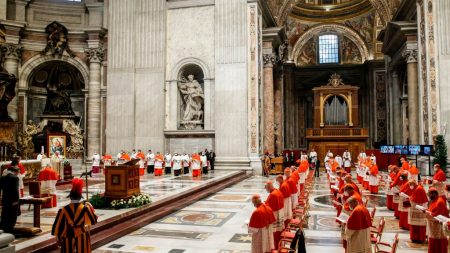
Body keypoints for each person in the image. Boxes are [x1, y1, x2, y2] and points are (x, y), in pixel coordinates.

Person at [52, 178, 98, 253]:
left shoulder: (63, 210)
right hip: (82, 234)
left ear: (70, 197)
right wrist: (90, 207)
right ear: (80, 197)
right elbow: (93, 220)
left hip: (68, 235)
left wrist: (58, 237)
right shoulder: (85, 208)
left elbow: (58, 226)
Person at [424, 187, 449, 253]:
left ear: (434, 194)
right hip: (433, 226)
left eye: (430, 194)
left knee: (437, 242)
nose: (429, 196)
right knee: (433, 241)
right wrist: (426, 211)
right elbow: (432, 211)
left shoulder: (439, 202)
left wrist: (428, 214)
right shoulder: (434, 200)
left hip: (438, 227)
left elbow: (438, 215)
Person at [0, 162, 20, 233]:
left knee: (5, 213)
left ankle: (3, 227)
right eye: (18, 172)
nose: (18, 174)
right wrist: (16, 200)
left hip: (5, 198)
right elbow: (15, 190)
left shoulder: (3, 178)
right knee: (12, 214)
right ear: (15, 172)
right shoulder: (15, 178)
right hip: (12, 199)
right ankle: (10, 228)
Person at [264, 181, 285, 247]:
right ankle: (279, 244)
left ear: (269, 187)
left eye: (266, 188)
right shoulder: (277, 190)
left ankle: (275, 246)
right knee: (279, 230)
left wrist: (264, 205)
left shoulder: (273, 194)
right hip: (280, 211)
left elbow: (270, 207)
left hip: (275, 214)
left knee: (275, 231)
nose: (266, 190)